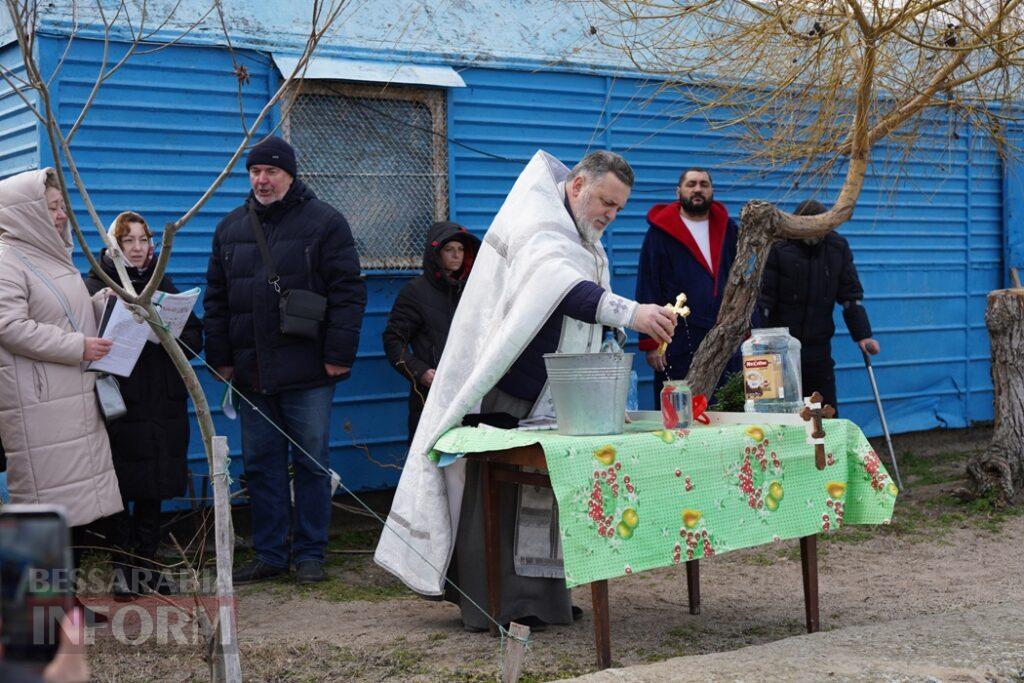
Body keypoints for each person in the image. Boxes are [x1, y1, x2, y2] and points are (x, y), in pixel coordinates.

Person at [375, 150, 676, 631]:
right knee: (498, 498)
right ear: (578, 185)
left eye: (618, 208)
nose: (610, 214)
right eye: (605, 201)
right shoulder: (539, 220)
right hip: (508, 389)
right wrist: (631, 313)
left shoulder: (582, 234)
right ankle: (492, 602)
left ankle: (543, 602)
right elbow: (558, 286)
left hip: (555, 391)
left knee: (546, 499)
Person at [204, 136, 367, 584]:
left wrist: (337, 354)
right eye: (255, 172)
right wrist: (221, 359)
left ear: (290, 175)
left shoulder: (325, 223)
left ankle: (311, 553)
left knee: (312, 462)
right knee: (260, 464)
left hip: (309, 370)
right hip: (252, 373)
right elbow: (217, 300)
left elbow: (348, 293)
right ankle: (271, 554)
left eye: (271, 172)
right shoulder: (230, 228)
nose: (262, 180)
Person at [84, 211, 203, 597]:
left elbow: (194, 340)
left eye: (143, 240)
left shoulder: (160, 283)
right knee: (119, 485)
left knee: (154, 485)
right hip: (120, 403)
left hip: (162, 403)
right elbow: (79, 342)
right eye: (128, 241)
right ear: (113, 247)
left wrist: (170, 327)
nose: (137, 249)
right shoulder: (95, 284)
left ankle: (149, 564)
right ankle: (122, 568)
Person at [0, 169, 122, 541]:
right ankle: (44, 598)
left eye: (62, 206)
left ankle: (65, 599)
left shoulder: (53, 254)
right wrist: (77, 346)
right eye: (51, 207)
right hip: (39, 405)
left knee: (73, 510)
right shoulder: (7, 259)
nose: (61, 215)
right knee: (46, 510)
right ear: (27, 212)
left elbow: (65, 313)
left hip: (69, 399)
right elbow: (7, 325)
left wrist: (103, 303)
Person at [758, 199, 878, 412]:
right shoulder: (779, 247)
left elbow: (850, 296)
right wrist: (758, 338)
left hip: (818, 349)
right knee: (781, 413)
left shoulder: (837, 247)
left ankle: (827, 446)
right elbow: (764, 299)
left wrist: (863, 335)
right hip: (779, 350)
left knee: (824, 412)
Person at [636, 167, 741, 406]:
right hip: (676, 340)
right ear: (678, 191)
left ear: (712, 191)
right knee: (679, 413)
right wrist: (651, 344)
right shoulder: (660, 234)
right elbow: (648, 285)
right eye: (691, 184)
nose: (698, 189)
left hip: (723, 339)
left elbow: (743, 281)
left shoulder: (729, 230)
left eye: (704, 184)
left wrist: (746, 330)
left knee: (727, 409)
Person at [382, 221, 480, 443]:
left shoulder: (474, 289)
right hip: (431, 395)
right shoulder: (415, 292)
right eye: (449, 250)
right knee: (429, 461)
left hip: (472, 392)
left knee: (469, 464)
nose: (456, 255)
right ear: (436, 253)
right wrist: (420, 372)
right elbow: (393, 341)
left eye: (461, 249)